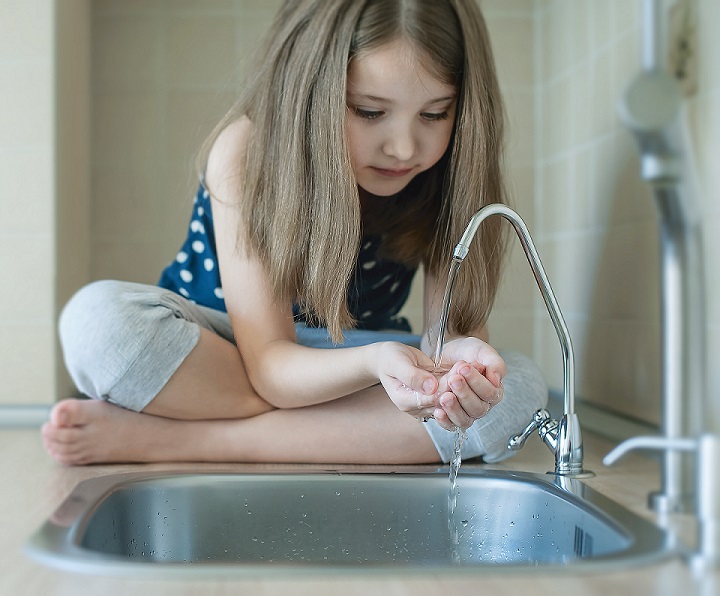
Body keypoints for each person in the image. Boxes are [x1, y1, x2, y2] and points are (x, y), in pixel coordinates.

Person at [42, 0, 546, 466]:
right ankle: (300, 432)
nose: (403, 147)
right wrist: (374, 367)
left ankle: (176, 437)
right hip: (225, 353)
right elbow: (270, 366)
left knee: (518, 391)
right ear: (310, 88)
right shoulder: (246, 149)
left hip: (350, 364)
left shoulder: (453, 167)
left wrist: (456, 365)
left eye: (435, 113)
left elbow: (446, 339)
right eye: (369, 111)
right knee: (98, 325)